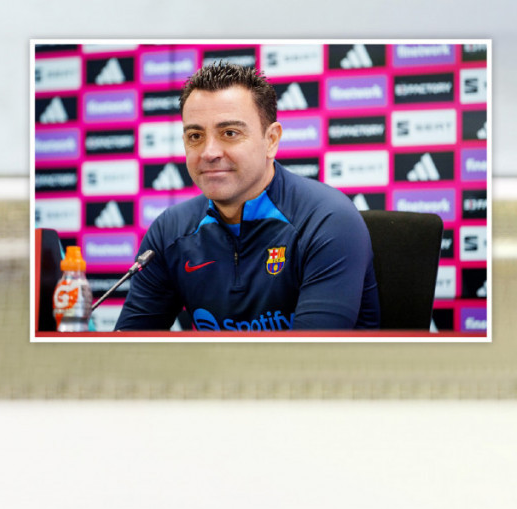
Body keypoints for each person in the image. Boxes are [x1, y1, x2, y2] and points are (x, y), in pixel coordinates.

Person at [115, 63, 380, 332]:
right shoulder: (170, 231)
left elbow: (311, 354)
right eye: (195, 136)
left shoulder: (328, 220)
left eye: (230, 133)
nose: (209, 152)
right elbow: (127, 347)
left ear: (271, 140)